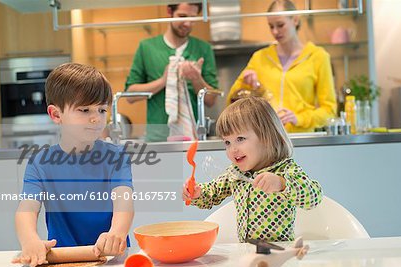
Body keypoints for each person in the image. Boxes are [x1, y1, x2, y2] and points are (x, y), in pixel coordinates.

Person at [13, 63, 134, 267]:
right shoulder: (40, 163)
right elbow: (27, 209)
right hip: (61, 260)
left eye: (102, 109)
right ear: (56, 114)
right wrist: (30, 240)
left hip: (111, 258)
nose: (96, 118)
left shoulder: (117, 156)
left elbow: (124, 203)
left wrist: (117, 233)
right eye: (84, 109)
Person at [183, 96, 323, 242]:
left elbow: (314, 197)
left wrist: (282, 184)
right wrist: (196, 194)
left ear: (266, 137)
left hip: (280, 253)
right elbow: (212, 194)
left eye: (240, 139)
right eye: (227, 142)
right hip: (246, 252)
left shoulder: (284, 169)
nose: (233, 149)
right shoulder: (235, 174)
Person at [227, 0, 337, 133]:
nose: (275, 31)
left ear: (295, 20)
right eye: (271, 26)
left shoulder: (318, 56)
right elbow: (231, 102)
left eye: (280, 25)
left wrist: (299, 118)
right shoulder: (259, 57)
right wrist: (246, 85)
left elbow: (329, 111)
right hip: (267, 139)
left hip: (302, 139)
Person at [125, 3, 219, 142]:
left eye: (193, 18)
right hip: (157, 137)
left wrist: (196, 79)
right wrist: (164, 80)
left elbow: (211, 100)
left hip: (193, 136)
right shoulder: (147, 48)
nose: (187, 23)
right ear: (169, 11)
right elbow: (130, 95)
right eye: (182, 16)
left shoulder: (203, 49)